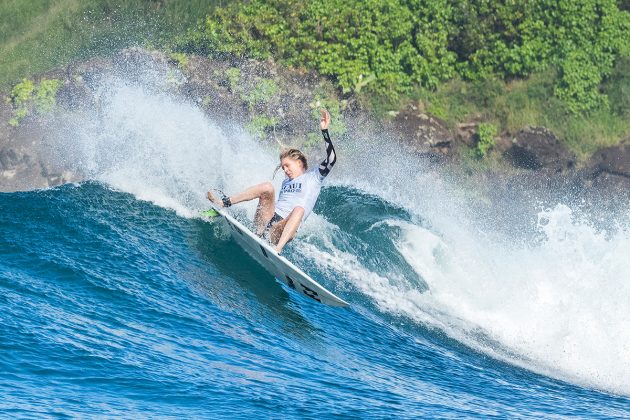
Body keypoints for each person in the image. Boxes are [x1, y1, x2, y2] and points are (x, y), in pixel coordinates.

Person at [207, 109, 337, 254]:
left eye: (287, 165)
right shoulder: (285, 182)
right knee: (267, 187)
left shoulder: (314, 177)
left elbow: (331, 159)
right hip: (266, 222)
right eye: (282, 167)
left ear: (299, 163)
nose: (285, 170)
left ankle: (277, 249)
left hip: (281, 229)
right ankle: (224, 203)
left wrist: (324, 131)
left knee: (299, 209)